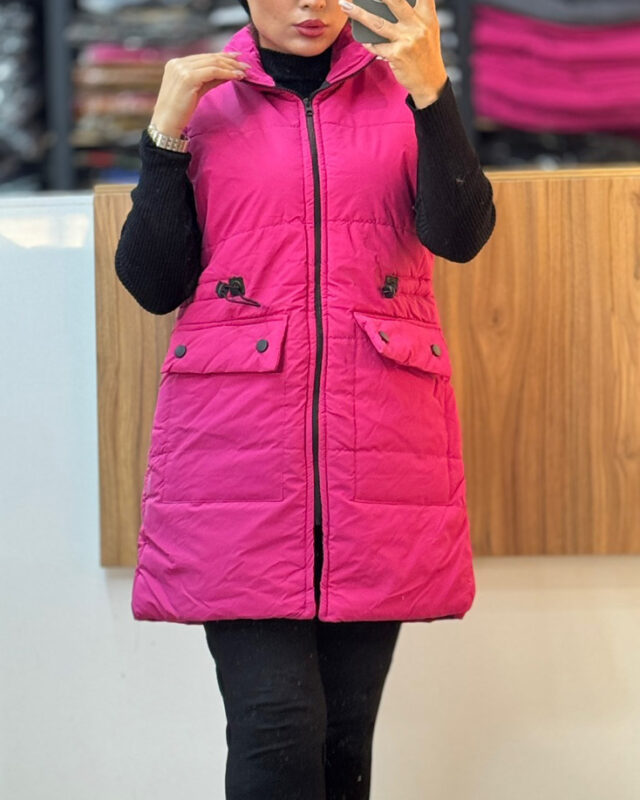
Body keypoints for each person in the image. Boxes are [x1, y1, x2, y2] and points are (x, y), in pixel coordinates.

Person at [115, 0, 496, 796]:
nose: (308, 4)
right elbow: (153, 283)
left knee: (344, 747)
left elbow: (459, 235)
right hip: (236, 461)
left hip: (379, 453)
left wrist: (433, 93)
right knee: (276, 730)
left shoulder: (403, 88)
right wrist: (164, 133)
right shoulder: (204, 100)